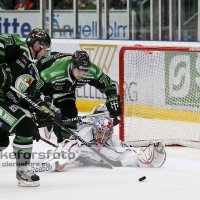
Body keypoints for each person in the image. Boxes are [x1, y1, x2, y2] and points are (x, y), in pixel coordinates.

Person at [0, 28, 54, 187]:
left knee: (2, 139)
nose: (45, 53)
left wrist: (41, 109)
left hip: (4, 103)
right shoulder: (17, 45)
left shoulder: (33, 72)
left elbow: (29, 99)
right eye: (45, 49)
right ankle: (22, 170)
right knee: (24, 125)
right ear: (37, 45)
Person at [35, 50, 122, 141]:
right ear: (72, 65)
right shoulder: (54, 72)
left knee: (70, 113)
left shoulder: (90, 70)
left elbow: (108, 85)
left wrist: (112, 98)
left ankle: (67, 142)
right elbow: (33, 89)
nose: (81, 73)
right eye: (79, 70)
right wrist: (38, 106)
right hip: (45, 80)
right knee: (47, 117)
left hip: (65, 89)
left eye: (84, 70)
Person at [42, 114, 166, 171]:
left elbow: (126, 150)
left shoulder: (113, 141)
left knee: (123, 155)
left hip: (97, 156)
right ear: (95, 130)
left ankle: (146, 158)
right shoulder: (84, 134)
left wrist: (140, 157)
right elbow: (71, 143)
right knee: (71, 152)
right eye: (101, 132)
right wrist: (63, 158)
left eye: (106, 134)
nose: (103, 137)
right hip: (81, 152)